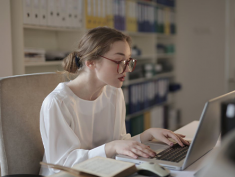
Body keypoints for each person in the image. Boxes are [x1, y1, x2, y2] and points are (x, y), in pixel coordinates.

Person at [39, 27, 189, 176]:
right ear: (91, 62)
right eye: (119, 61)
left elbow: (119, 143)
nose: (127, 69)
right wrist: (112, 147)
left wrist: (147, 135)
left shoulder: (114, 92)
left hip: (104, 171)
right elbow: (60, 166)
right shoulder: (58, 102)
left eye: (128, 61)